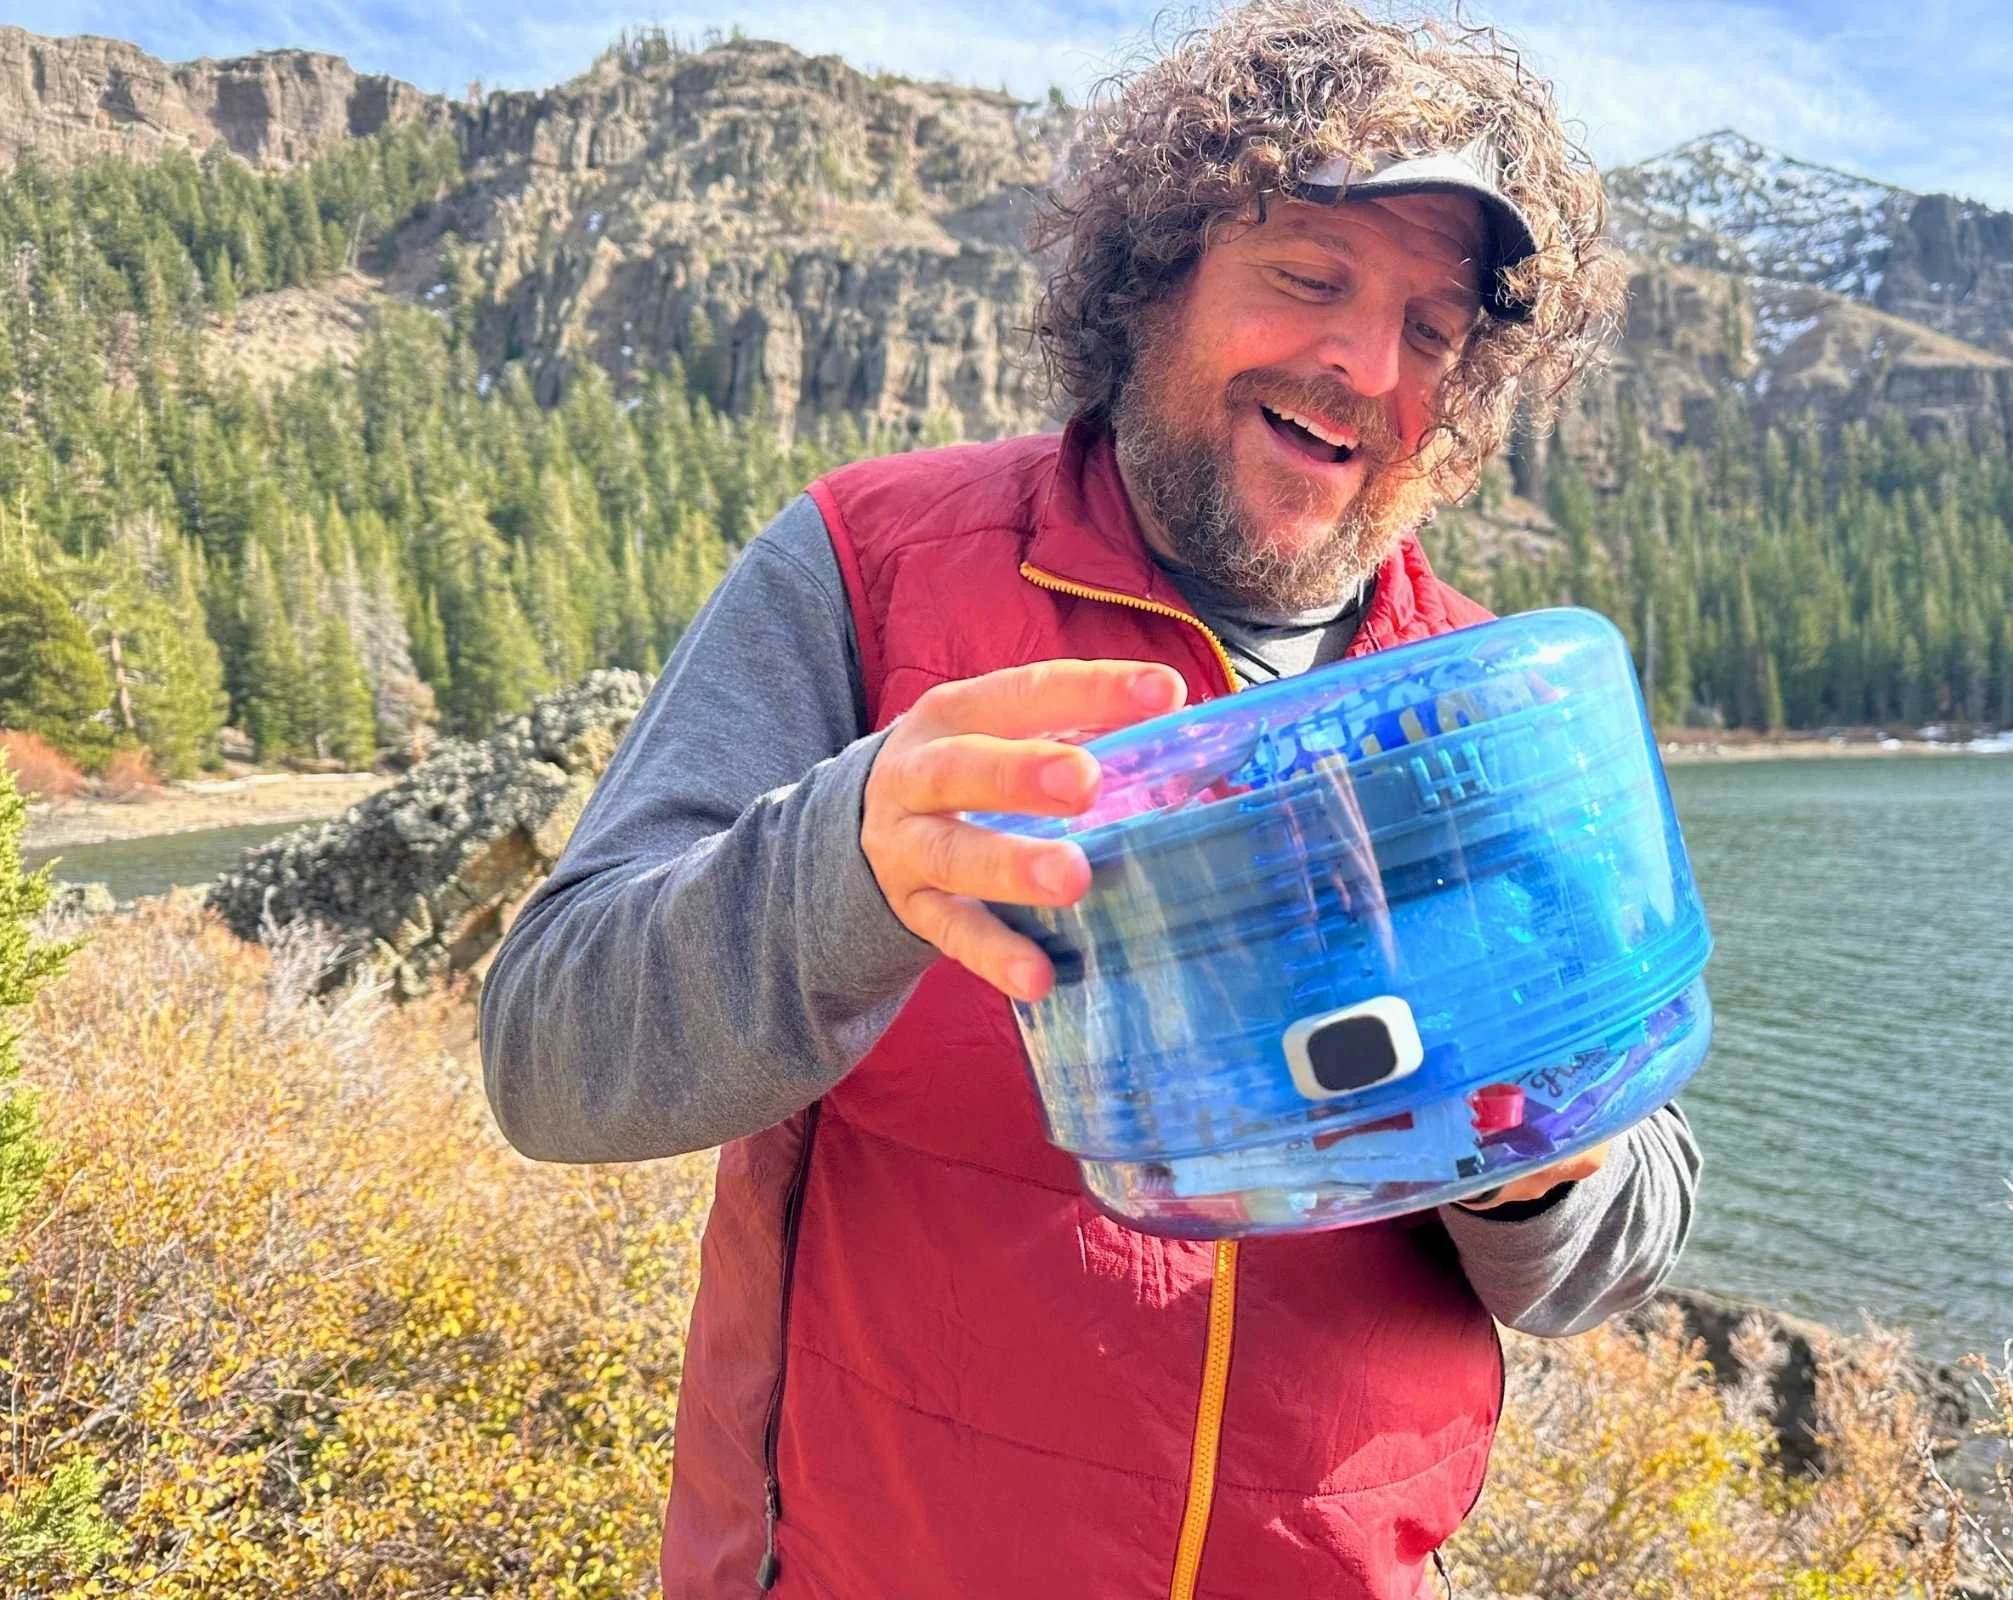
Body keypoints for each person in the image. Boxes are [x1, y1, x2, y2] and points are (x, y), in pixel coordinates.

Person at [478, 3, 1702, 1594]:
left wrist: (1542, 1156)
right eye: (1308, 277)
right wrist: (845, 866)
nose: (1365, 361)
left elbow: (1623, 1228)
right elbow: (550, 1057)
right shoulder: (871, 568)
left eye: (1432, 327)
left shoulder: (1482, 711)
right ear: (1150, 283)